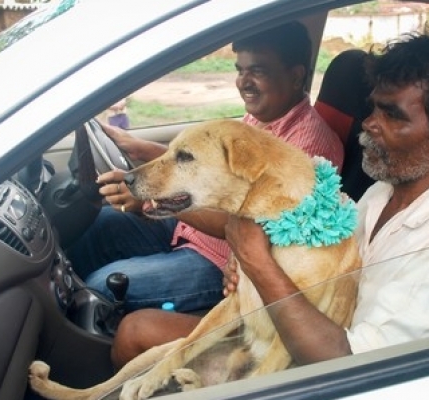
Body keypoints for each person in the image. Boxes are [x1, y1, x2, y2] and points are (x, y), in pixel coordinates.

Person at [111, 31, 429, 368]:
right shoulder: (383, 192)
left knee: (136, 332)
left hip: (314, 368)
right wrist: (247, 271)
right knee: (136, 330)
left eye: (393, 115)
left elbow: (349, 365)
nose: (370, 123)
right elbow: (316, 261)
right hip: (281, 330)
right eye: (373, 108)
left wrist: (258, 264)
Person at [66, 21, 343, 332]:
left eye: (258, 71)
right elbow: (204, 167)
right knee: (99, 224)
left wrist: (153, 200)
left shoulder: (308, 149)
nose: (244, 82)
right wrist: (141, 149)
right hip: (191, 229)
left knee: (101, 285)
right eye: (240, 70)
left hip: (222, 262)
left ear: (295, 76)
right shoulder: (262, 117)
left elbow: (254, 229)